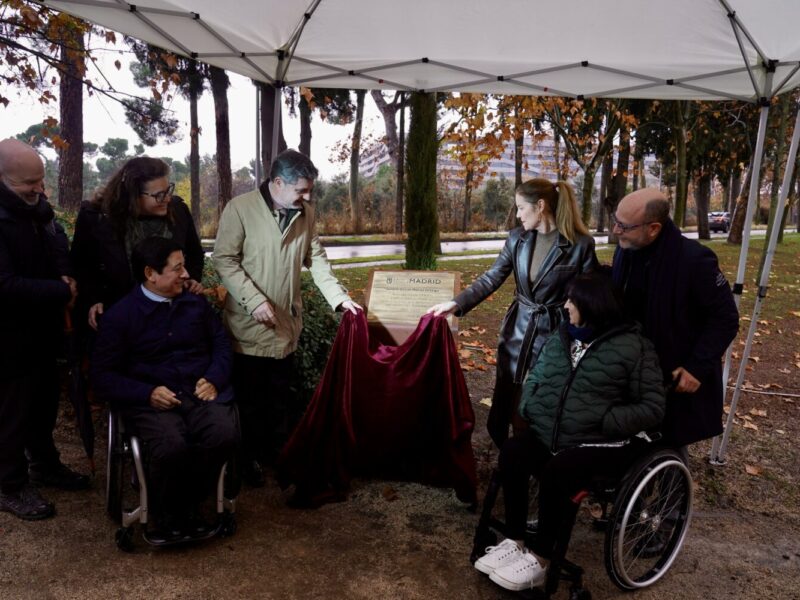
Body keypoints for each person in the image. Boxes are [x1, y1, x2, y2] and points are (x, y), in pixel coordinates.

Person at [474, 272, 666, 592]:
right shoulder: (564, 335)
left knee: (558, 471)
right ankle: (516, 541)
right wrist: (530, 405)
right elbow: (536, 375)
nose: (565, 306)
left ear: (593, 304)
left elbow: (653, 407)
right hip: (556, 434)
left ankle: (541, 559)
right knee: (513, 451)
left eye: (572, 300)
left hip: (601, 442)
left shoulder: (634, 347)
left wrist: (605, 419)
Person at [212, 149, 361, 487]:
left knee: (279, 398)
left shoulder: (305, 213)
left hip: (285, 325)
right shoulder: (240, 209)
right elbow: (224, 260)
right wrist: (253, 301)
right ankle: (246, 458)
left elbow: (317, 259)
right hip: (249, 325)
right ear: (277, 183)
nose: (307, 198)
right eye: (301, 191)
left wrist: (340, 300)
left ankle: (277, 454)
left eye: (309, 191)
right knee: (249, 401)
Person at [428, 178, 597, 446]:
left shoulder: (580, 245)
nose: (517, 215)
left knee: (532, 401)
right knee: (504, 397)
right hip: (517, 327)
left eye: (520, 208)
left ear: (540, 206)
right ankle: (507, 451)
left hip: (553, 335)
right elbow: (493, 276)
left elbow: (589, 296)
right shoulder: (517, 239)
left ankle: (523, 459)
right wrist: (456, 303)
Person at [91, 237, 238, 542]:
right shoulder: (120, 316)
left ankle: (190, 502)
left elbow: (222, 344)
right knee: (172, 444)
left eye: (184, 266)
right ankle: (166, 511)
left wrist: (214, 377)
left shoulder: (196, 304)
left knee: (225, 433)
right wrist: (146, 394)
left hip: (200, 393)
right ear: (150, 273)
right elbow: (103, 376)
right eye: (177, 268)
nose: (187, 275)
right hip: (151, 400)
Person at [0, 139, 89, 521]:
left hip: (43, 331)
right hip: (7, 339)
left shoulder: (35, 209)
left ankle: (45, 464)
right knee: (12, 413)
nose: (39, 188)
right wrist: (60, 290)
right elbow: (3, 286)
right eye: (29, 183)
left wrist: (66, 273)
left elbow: (56, 244)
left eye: (40, 180)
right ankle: (10, 484)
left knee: (43, 404)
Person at [610, 189, 739, 450]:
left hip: (671, 374)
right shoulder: (626, 250)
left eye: (623, 226)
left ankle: (672, 486)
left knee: (667, 442)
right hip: (632, 368)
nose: (615, 230)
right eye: (616, 221)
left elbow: (725, 318)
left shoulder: (695, 260)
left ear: (654, 228)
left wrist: (696, 368)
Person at [70, 156, 204, 332]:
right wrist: (93, 299)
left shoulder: (178, 211)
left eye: (168, 190)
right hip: (117, 309)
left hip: (170, 311)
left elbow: (194, 254)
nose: (167, 199)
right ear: (133, 196)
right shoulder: (96, 216)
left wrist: (190, 278)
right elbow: (81, 266)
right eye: (158, 195)